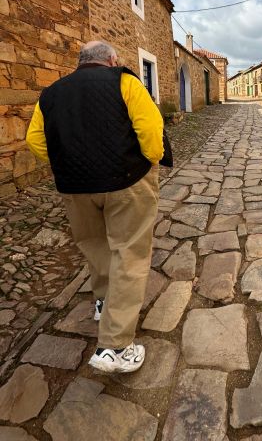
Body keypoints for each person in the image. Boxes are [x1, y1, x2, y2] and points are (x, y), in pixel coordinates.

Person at [26, 40, 164, 373]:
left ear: (81, 62)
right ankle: (115, 347)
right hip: (125, 182)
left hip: (75, 188)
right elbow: (150, 130)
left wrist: (67, 165)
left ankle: (104, 302)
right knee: (129, 254)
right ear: (111, 60)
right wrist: (151, 160)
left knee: (95, 247)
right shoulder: (125, 81)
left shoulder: (51, 93)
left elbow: (35, 140)